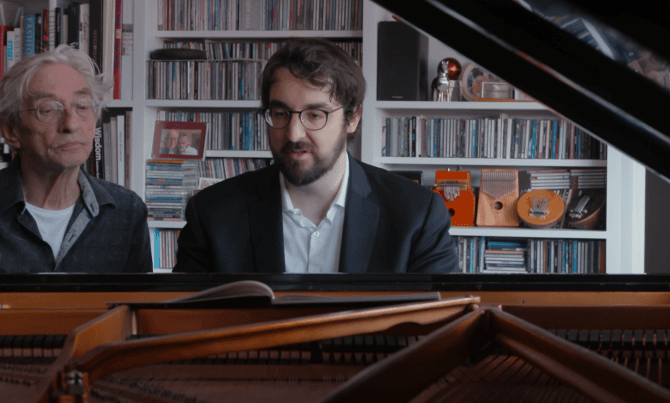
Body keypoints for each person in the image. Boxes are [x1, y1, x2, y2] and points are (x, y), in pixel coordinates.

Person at [173, 38, 458, 273]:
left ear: (353, 118)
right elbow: (185, 321)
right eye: (280, 113)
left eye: (315, 114)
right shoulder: (211, 213)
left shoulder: (418, 215)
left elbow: (441, 322)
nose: (294, 133)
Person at [0, 45, 151, 273]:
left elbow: (140, 304)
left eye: (82, 106)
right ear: (11, 130)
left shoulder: (127, 212)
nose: (71, 124)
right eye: (48, 109)